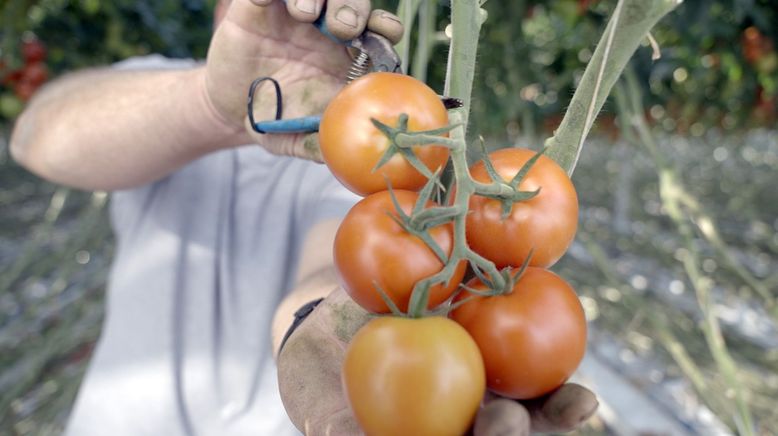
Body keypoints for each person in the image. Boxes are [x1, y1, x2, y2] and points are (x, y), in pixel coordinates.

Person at [9, 0, 599, 434]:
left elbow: (344, 271)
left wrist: (327, 326)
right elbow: (39, 137)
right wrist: (216, 105)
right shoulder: (157, 83)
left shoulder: (393, 154)